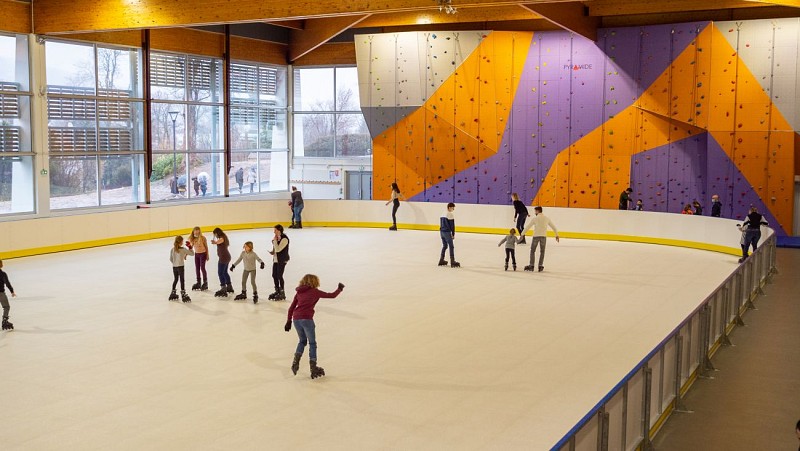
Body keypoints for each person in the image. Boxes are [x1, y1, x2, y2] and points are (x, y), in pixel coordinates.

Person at [284, 274, 345, 379]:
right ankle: (313, 367)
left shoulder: (298, 292)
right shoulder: (314, 291)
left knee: (302, 341)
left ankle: (295, 362)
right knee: (312, 343)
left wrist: (289, 320)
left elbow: (291, 307)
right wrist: (339, 289)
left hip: (296, 319)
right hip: (307, 319)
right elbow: (331, 295)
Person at [518, 206, 560, 272]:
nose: (535, 212)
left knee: (532, 251)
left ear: (537, 211)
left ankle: (531, 265)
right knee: (542, 252)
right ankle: (540, 266)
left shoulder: (535, 219)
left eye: (535, 211)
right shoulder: (546, 218)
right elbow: (553, 227)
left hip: (536, 236)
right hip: (543, 236)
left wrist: (522, 234)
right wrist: (557, 235)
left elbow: (527, 227)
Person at [268, 224, 290, 301]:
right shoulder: (277, 238)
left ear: (279, 230)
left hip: (282, 259)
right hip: (276, 259)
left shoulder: (285, 239)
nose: (274, 232)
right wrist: (272, 251)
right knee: (274, 275)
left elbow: (278, 249)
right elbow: (275, 249)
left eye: (275, 230)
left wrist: (274, 241)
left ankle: (282, 292)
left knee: (279, 275)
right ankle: (277, 291)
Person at [169, 235, 194, 303]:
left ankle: (173, 291)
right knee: (182, 280)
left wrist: (175, 263)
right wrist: (189, 246)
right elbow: (192, 253)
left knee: (176, 279)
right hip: (181, 267)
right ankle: (183, 293)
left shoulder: (172, 249)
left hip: (174, 267)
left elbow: (171, 259)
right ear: (181, 242)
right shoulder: (183, 249)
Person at [211, 227, 234, 297]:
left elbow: (221, 241)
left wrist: (215, 242)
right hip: (226, 257)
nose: (215, 236)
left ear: (217, 233)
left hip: (224, 258)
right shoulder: (223, 236)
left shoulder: (222, 237)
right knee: (224, 272)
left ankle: (223, 288)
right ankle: (229, 286)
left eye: (215, 234)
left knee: (220, 273)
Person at [438, 202, 460, 268]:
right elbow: (452, 226)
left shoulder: (442, 213)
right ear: (450, 207)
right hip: (447, 232)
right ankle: (452, 261)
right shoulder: (450, 214)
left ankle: (441, 259)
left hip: (441, 232)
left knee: (444, 246)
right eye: (453, 208)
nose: (453, 209)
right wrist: (453, 234)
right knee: (451, 246)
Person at [188, 226, 209, 291]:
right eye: (195, 231)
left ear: (199, 232)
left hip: (203, 254)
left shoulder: (203, 238)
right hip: (197, 255)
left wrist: (207, 255)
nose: (196, 232)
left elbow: (206, 247)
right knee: (197, 268)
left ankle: (205, 282)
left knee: (202, 267)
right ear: (193, 232)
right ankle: (199, 282)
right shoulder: (193, 239)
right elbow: (191, 248)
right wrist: (188, 247)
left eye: (197, 231)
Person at [0, 260, 17, 331]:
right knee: (6, 306)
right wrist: (12, 291)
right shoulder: (2, 274)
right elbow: (7, 283)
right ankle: (4, 320)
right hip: (0, 293)